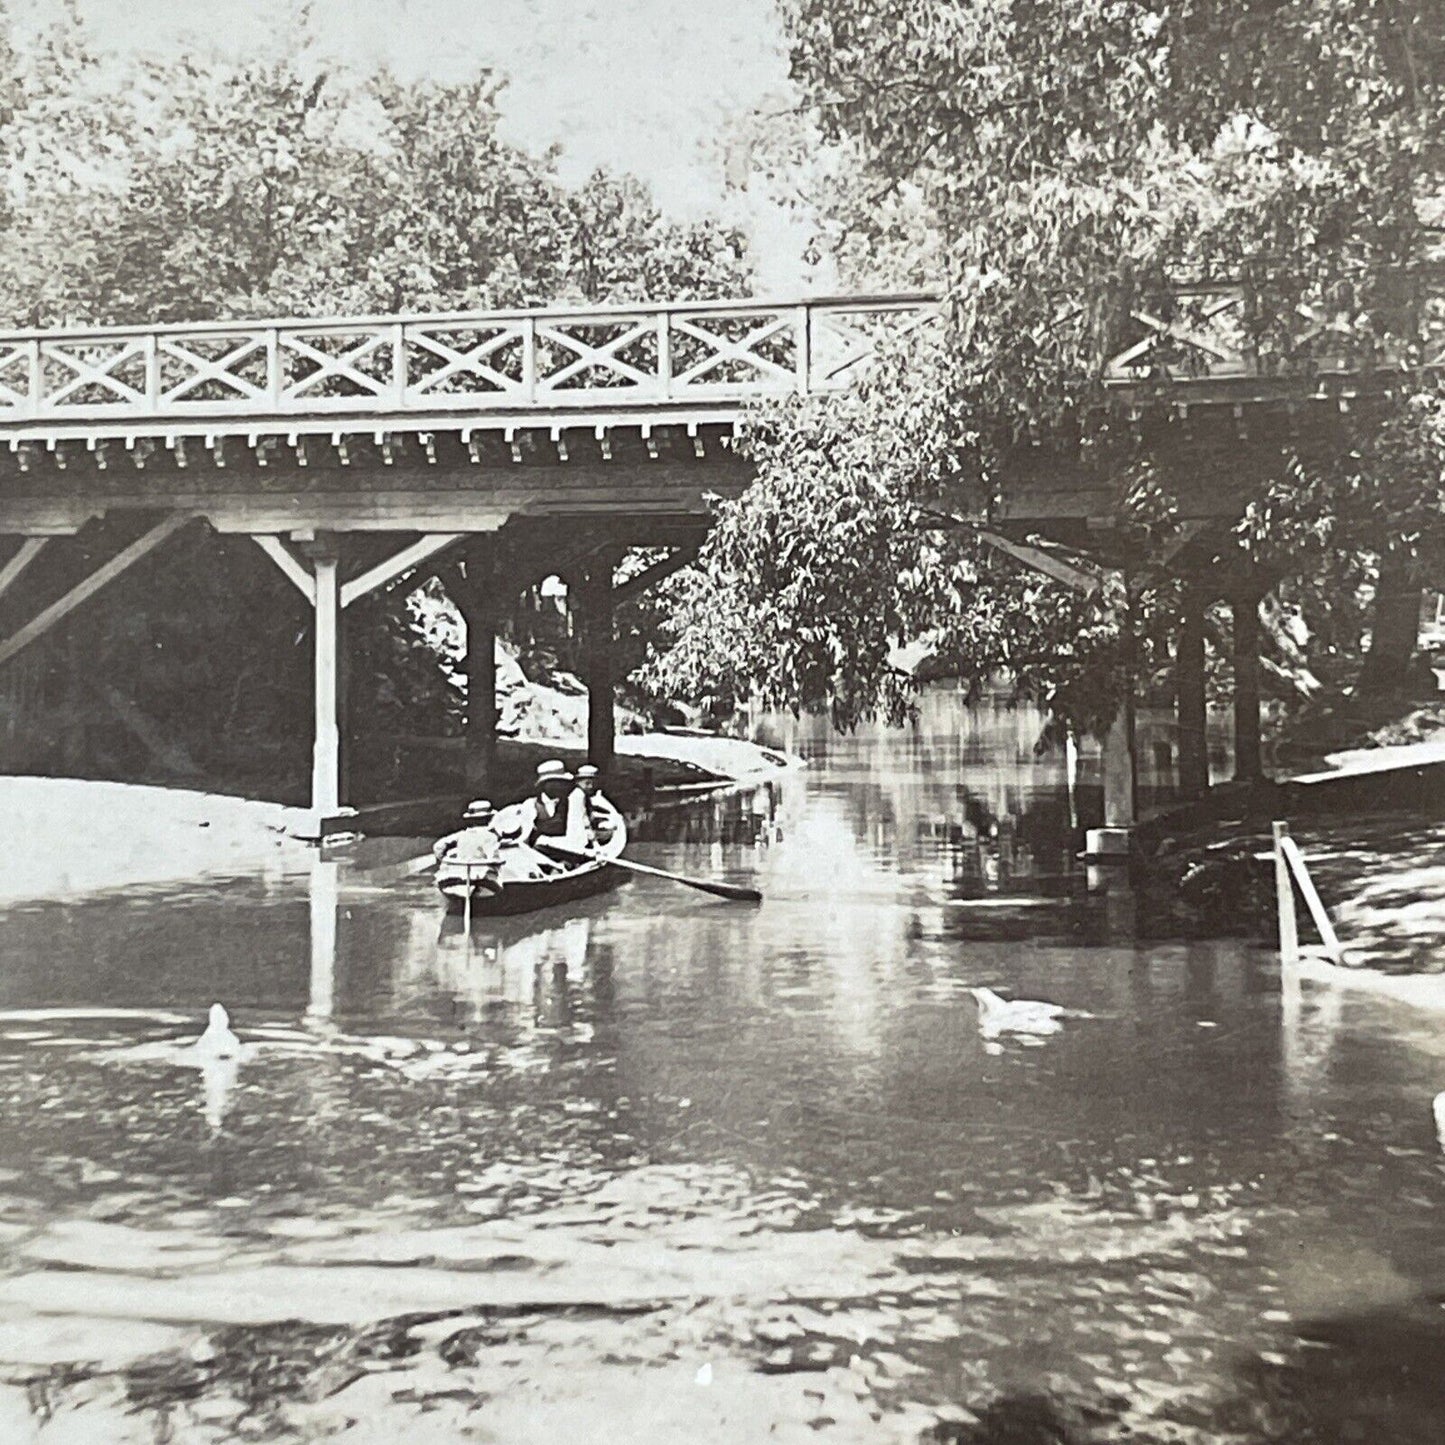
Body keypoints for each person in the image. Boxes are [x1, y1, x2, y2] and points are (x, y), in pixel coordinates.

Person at [434, 799, 503, 870]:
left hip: (462, 872)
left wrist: (443, 861)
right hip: (483, 876)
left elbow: (438, 847)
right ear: (489, 819)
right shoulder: (491, 837)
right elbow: (494, 860)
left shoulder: (460, 835)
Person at [572, 764, 623, 848]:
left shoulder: (584, 796)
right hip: (579, 839)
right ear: (577, 782)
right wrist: (594, 840)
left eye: (593, 783)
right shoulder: (578, 796)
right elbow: (583, 819)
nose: (591, 786)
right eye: (587, 783)